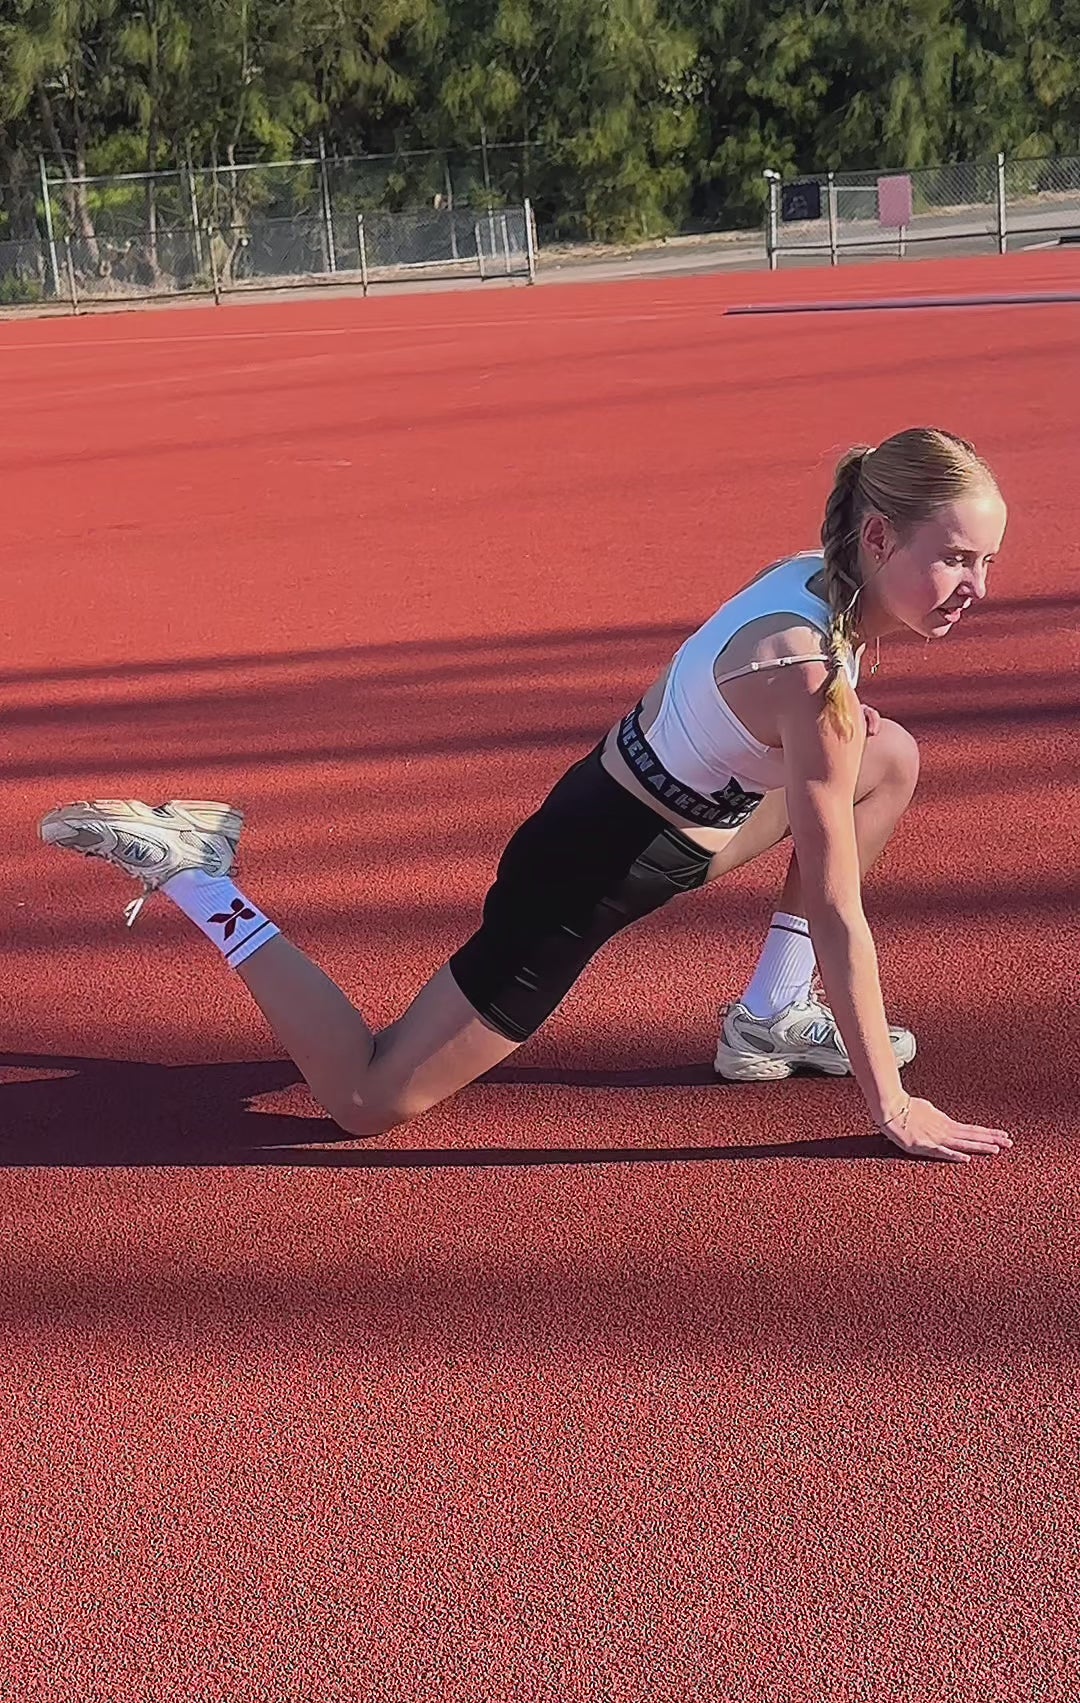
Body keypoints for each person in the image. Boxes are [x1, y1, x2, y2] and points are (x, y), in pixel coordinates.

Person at [40, 425, 1013, 1164]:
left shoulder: (813, 579)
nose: (978, 585)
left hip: (645, 814)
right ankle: (202, 877)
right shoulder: (809, 675)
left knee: (889, 758)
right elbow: (838, 908)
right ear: (879, 535)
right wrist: (891, 1107)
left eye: (988, 563)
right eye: (957, 558)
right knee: (365, 1100)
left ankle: (769, 1018)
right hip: (587, 874)